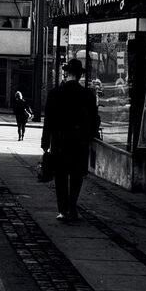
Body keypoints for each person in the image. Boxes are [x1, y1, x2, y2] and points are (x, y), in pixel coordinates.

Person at [41, 58, 100, 222]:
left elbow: (48, 121)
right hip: (79, 143)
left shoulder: (55, 93)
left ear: (66, 73)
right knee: (76, 176)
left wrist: (45, 142)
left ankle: (63, 210)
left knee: (60, 176)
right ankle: (72, 207)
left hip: (60, 142)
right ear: (80, 76)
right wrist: (90, 136)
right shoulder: (87, 95)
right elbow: (94, 120)